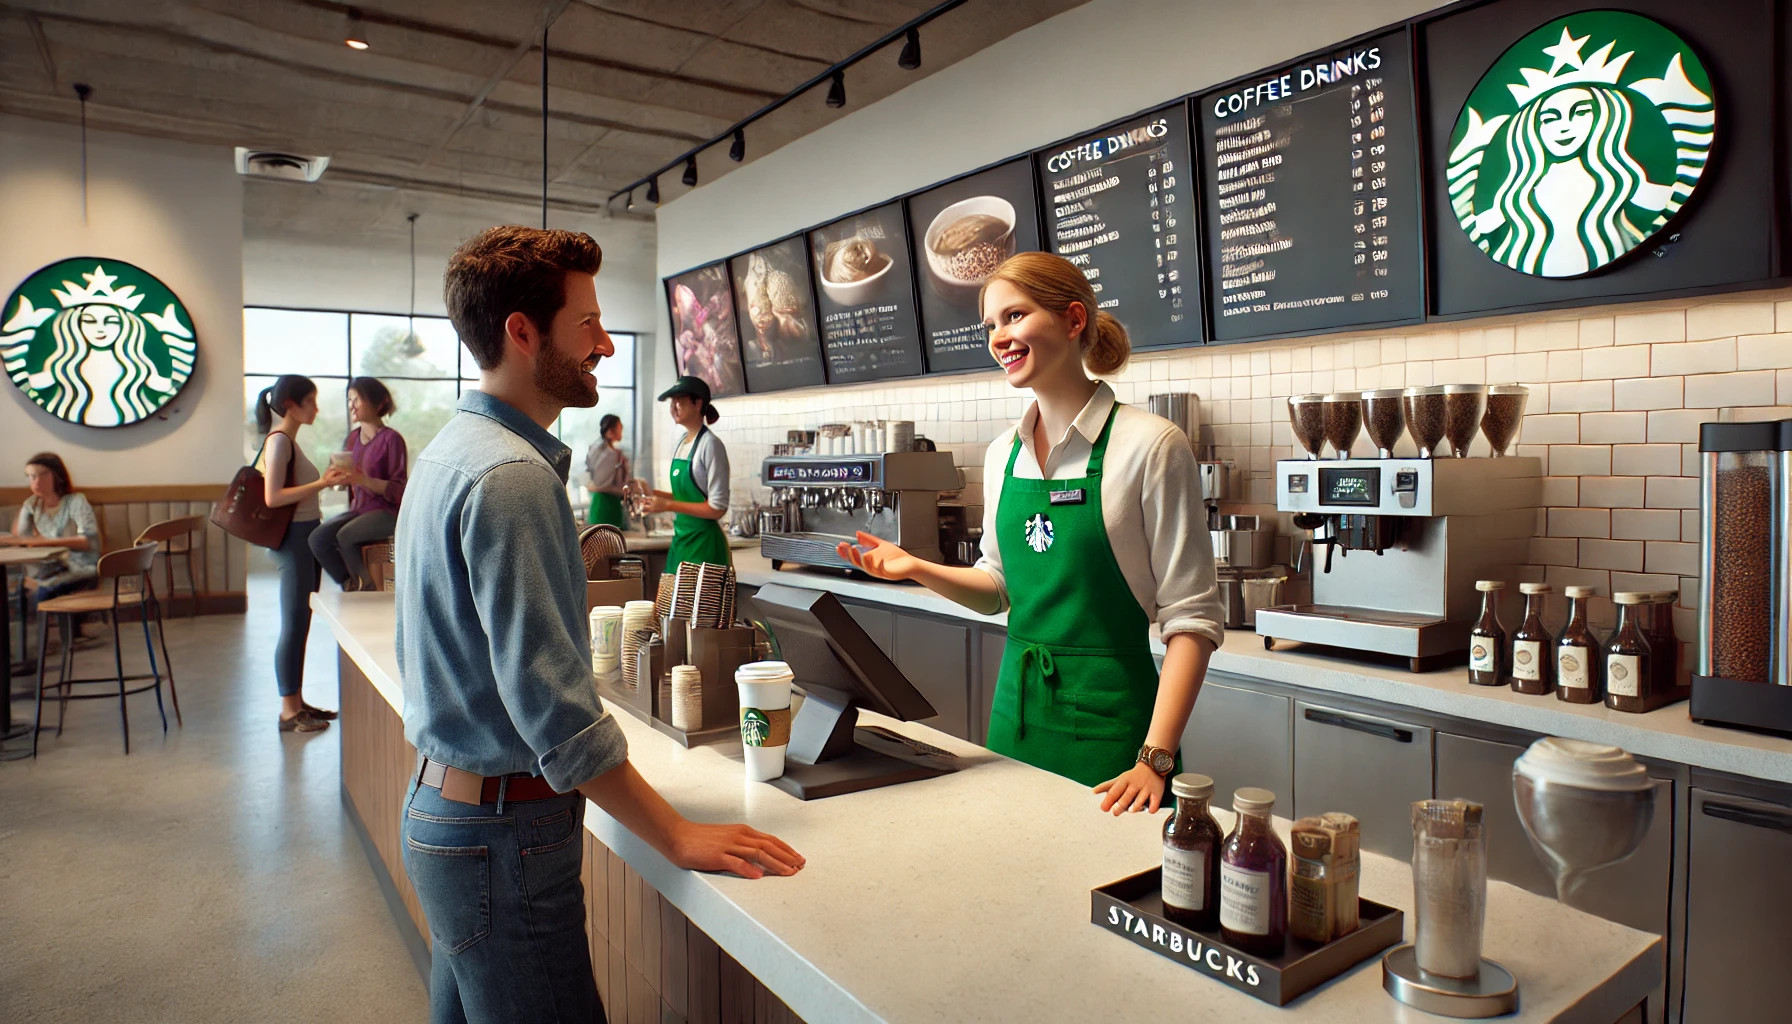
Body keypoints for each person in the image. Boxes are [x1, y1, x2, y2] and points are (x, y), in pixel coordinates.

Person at [399, 225, 802, 1024]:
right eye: (587, 324)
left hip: (450, 812)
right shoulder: (512, 477)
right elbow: (552, 707)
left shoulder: (453, 448)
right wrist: (676, 834)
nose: (606, 345)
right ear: (523, 331)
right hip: (503, 831)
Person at [836, 251, 1224, 816]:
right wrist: (918, 569)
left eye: (1014, 316)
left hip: (1115, 737)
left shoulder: (1151, 445)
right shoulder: (1003, 455)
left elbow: (1192, 620)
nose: (999, 337)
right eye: (990, 325)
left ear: (1072, 320)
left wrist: (1155, 759)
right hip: (1015, 718)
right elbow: (998, 588)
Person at [255, 374, 351, 733]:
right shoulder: (279, 442)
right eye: (311, 401)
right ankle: (288, 711)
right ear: (292, 405)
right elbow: (272, 497)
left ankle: (296, 702)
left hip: (304, 535)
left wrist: (321, 484)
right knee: (293, 624)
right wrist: (322, 483)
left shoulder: (288, 441)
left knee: (301, 622)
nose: (316, 408)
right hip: (293, 538)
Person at [309, 376, 407, 591]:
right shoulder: (352, 439)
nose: (351, 405)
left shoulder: (392, 439)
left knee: (346, 535)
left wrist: (363, 480)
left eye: (357, 399)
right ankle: (352, 584)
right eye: (349, 400)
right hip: (359, 510)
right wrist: (337, 478)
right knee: (318, 538)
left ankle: (367, 588)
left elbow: (399, 491)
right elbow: (348, 483)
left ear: (379, 403)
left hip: (387, 512)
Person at [646, 375, 731, 574]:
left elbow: (717, 508)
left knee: (697, 607)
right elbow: (686, 497)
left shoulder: (710, 444)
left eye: (679, 401)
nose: (673, 407)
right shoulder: (682, 442)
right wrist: (653, 495)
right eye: (671, 402)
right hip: (681, 542)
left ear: (697, 403)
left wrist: (667, 505)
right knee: (673, 606)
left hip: (704, 547)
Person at [3, 453, 101, 603]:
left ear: (58, 476)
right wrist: (25, 509)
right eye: (30, 476)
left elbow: (88, 542)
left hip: (81, 567)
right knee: (19, 589)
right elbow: (21, 538)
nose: (36, 482)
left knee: (41, 591)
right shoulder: (33, 504)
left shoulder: (76, 501)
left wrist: (42, 541)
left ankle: (52, 623)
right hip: (51, 567)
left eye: (42, 475)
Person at [584, 413, 629, 529]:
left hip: (612, 505)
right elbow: (600, 483)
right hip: (603, 505)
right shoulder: (607, 454)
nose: (621, 431)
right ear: (610, 432)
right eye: (619, 428)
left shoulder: (614, 452)